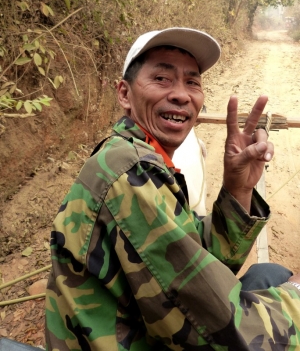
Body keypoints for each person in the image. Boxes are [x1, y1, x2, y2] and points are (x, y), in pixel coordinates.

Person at [45, 27, 300, 350]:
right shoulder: (132, 171)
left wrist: (238, 189)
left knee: (268, 272)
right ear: (124, 94)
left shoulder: (140, 156)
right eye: (162, 79)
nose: (181, 94)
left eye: (192, 81)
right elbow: (224, 334)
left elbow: (199, 259)